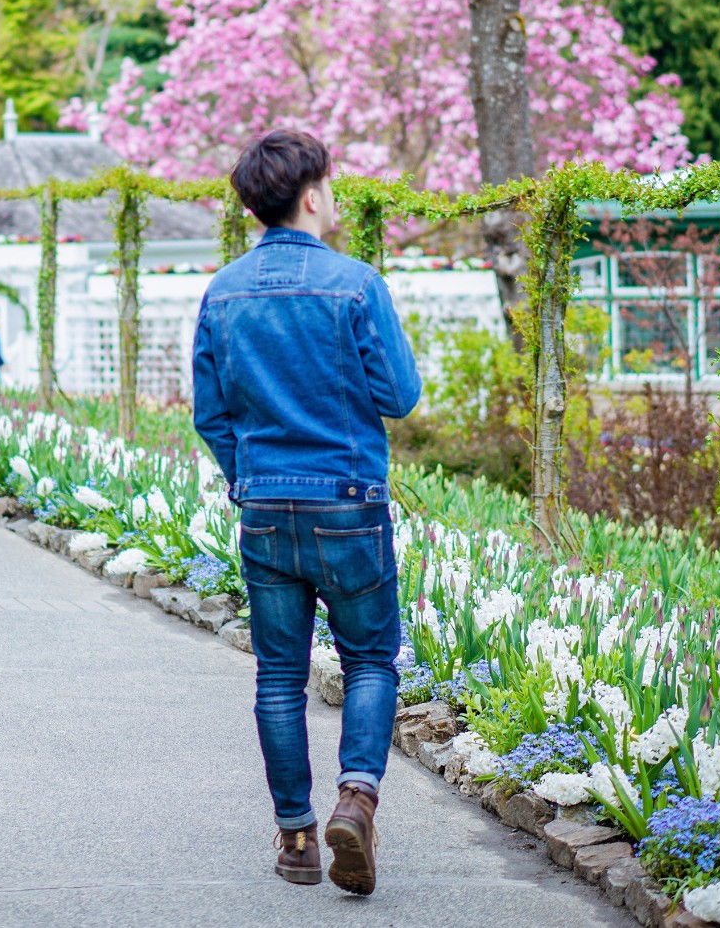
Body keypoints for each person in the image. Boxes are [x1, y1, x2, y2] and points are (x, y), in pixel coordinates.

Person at [190, 130, 421, 896]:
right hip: (350, 504)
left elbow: (210, 414)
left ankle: (295, 838)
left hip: (265, 510)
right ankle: (355, 797)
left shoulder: (222, 291)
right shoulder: (357, 285)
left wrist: (248, 477)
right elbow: (398, 397)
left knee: (280, 677)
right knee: (368, 659)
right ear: (314, 195)